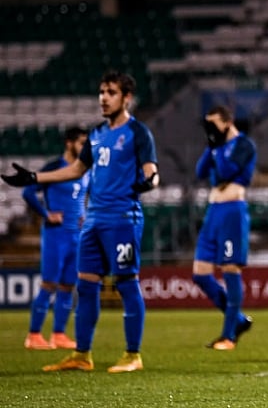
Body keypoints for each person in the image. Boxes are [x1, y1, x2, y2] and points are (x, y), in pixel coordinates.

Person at [2, 70, 159, 373]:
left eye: (110, 92)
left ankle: (132, 354)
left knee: (126, 283)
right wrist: (35, 177)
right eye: (101, 91)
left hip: (122, 219)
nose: (103, 97)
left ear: (126, 98)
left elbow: (151, 170)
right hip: (93, 222)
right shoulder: (97, 134)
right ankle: (81, 354)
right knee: (86, 287)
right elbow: (76, 169)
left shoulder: (138, 132)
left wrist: (150, 180)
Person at [193, 104, 256, 350]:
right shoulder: (216, 146)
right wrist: (212, 145)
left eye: (213, 124)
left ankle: (228, 336)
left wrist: (216, 148)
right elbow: (200, 171)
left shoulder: (243, 145)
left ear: (227, 122)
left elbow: (226, 172)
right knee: (200, 274)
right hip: (213, 211)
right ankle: (238, 320)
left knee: (230, 270)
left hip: (232, 210)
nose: (210, 129)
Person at [21, 126, 89, 350]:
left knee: (69, 285)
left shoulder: (84, 170)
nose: (85, 147)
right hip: (55, 235)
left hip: (75, 235)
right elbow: (28, 192)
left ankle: (58, 334)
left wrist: (84, 216)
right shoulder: (53, 168)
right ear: (69, 143)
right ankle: (33, 335)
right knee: (49, 284)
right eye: (81, 142)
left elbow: (82, 198)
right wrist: (45, 214)